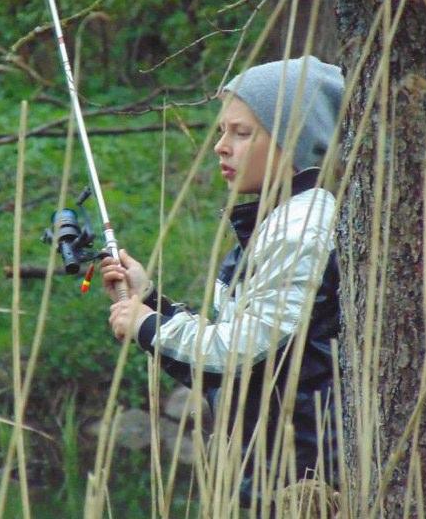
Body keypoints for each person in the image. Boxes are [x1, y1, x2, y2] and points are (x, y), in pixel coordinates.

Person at [101, 56, 344, 510]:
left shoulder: (303, 230)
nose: (221, 147)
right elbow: (226, 367)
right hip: (275, 483)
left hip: (307, 487)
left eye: (241, 133)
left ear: (293, 140)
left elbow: (243, 356)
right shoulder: (273, 224)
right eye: (221, 132)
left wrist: (148, 324)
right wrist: (152, 301)